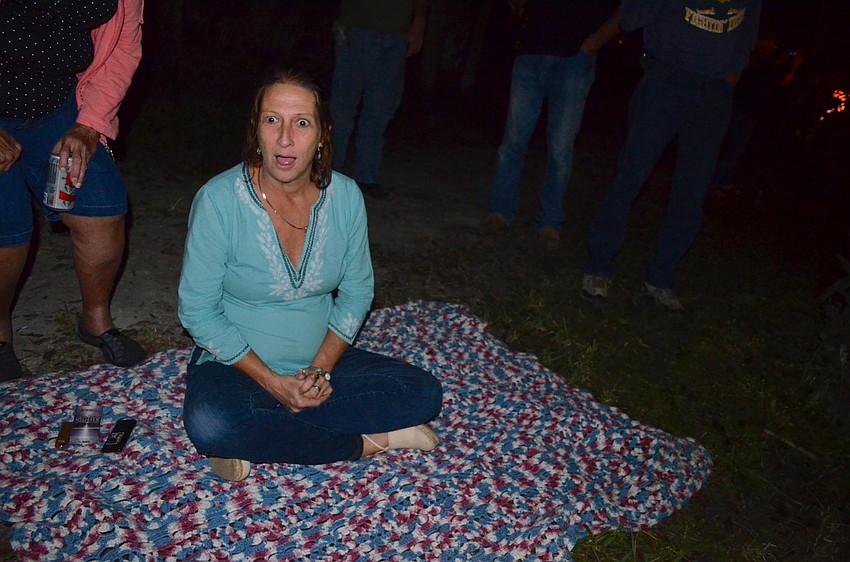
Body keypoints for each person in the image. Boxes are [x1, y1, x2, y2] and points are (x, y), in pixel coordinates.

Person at [178, 71, 443, 481]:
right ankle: (370, 442)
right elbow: (197, 310)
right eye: (272, 120)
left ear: (322, 135)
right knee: (212, 422)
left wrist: (317, 372)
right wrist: (276, 384)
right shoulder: (218, 200)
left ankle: (262, 437)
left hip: (322, 363)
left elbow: (357, 292)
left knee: (423, 393)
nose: (285, 138)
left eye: (301, 123)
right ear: (256, 129)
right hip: (235, 366)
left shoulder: (347, 198)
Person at [581, 0, 762, 310]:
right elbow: (634, 14)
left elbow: (749, 26)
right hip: (668, 77)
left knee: (692, 191)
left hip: (716, 91)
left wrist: (735, 70)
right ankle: (599, 266)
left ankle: (661, 277)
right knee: (631, 175)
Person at [0, 0, 146, 381]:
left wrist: (89, 124)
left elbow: (122, 52)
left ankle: (95, 322)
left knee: (102, 205)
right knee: (9, 225)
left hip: (56, 105)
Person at [483, 0, 621, 250]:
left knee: (560, 148)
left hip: (575, 60)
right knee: (513, 141)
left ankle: (550, 221)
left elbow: (626, 11)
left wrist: (592, 44)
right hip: (530, 54)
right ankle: (500, 211)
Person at [330, 0, 427, 199]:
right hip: (358, 28)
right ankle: (329, 175)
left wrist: (419, 22)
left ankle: (366, 177)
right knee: (343, 108)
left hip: (397, 33)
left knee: (380, 109)